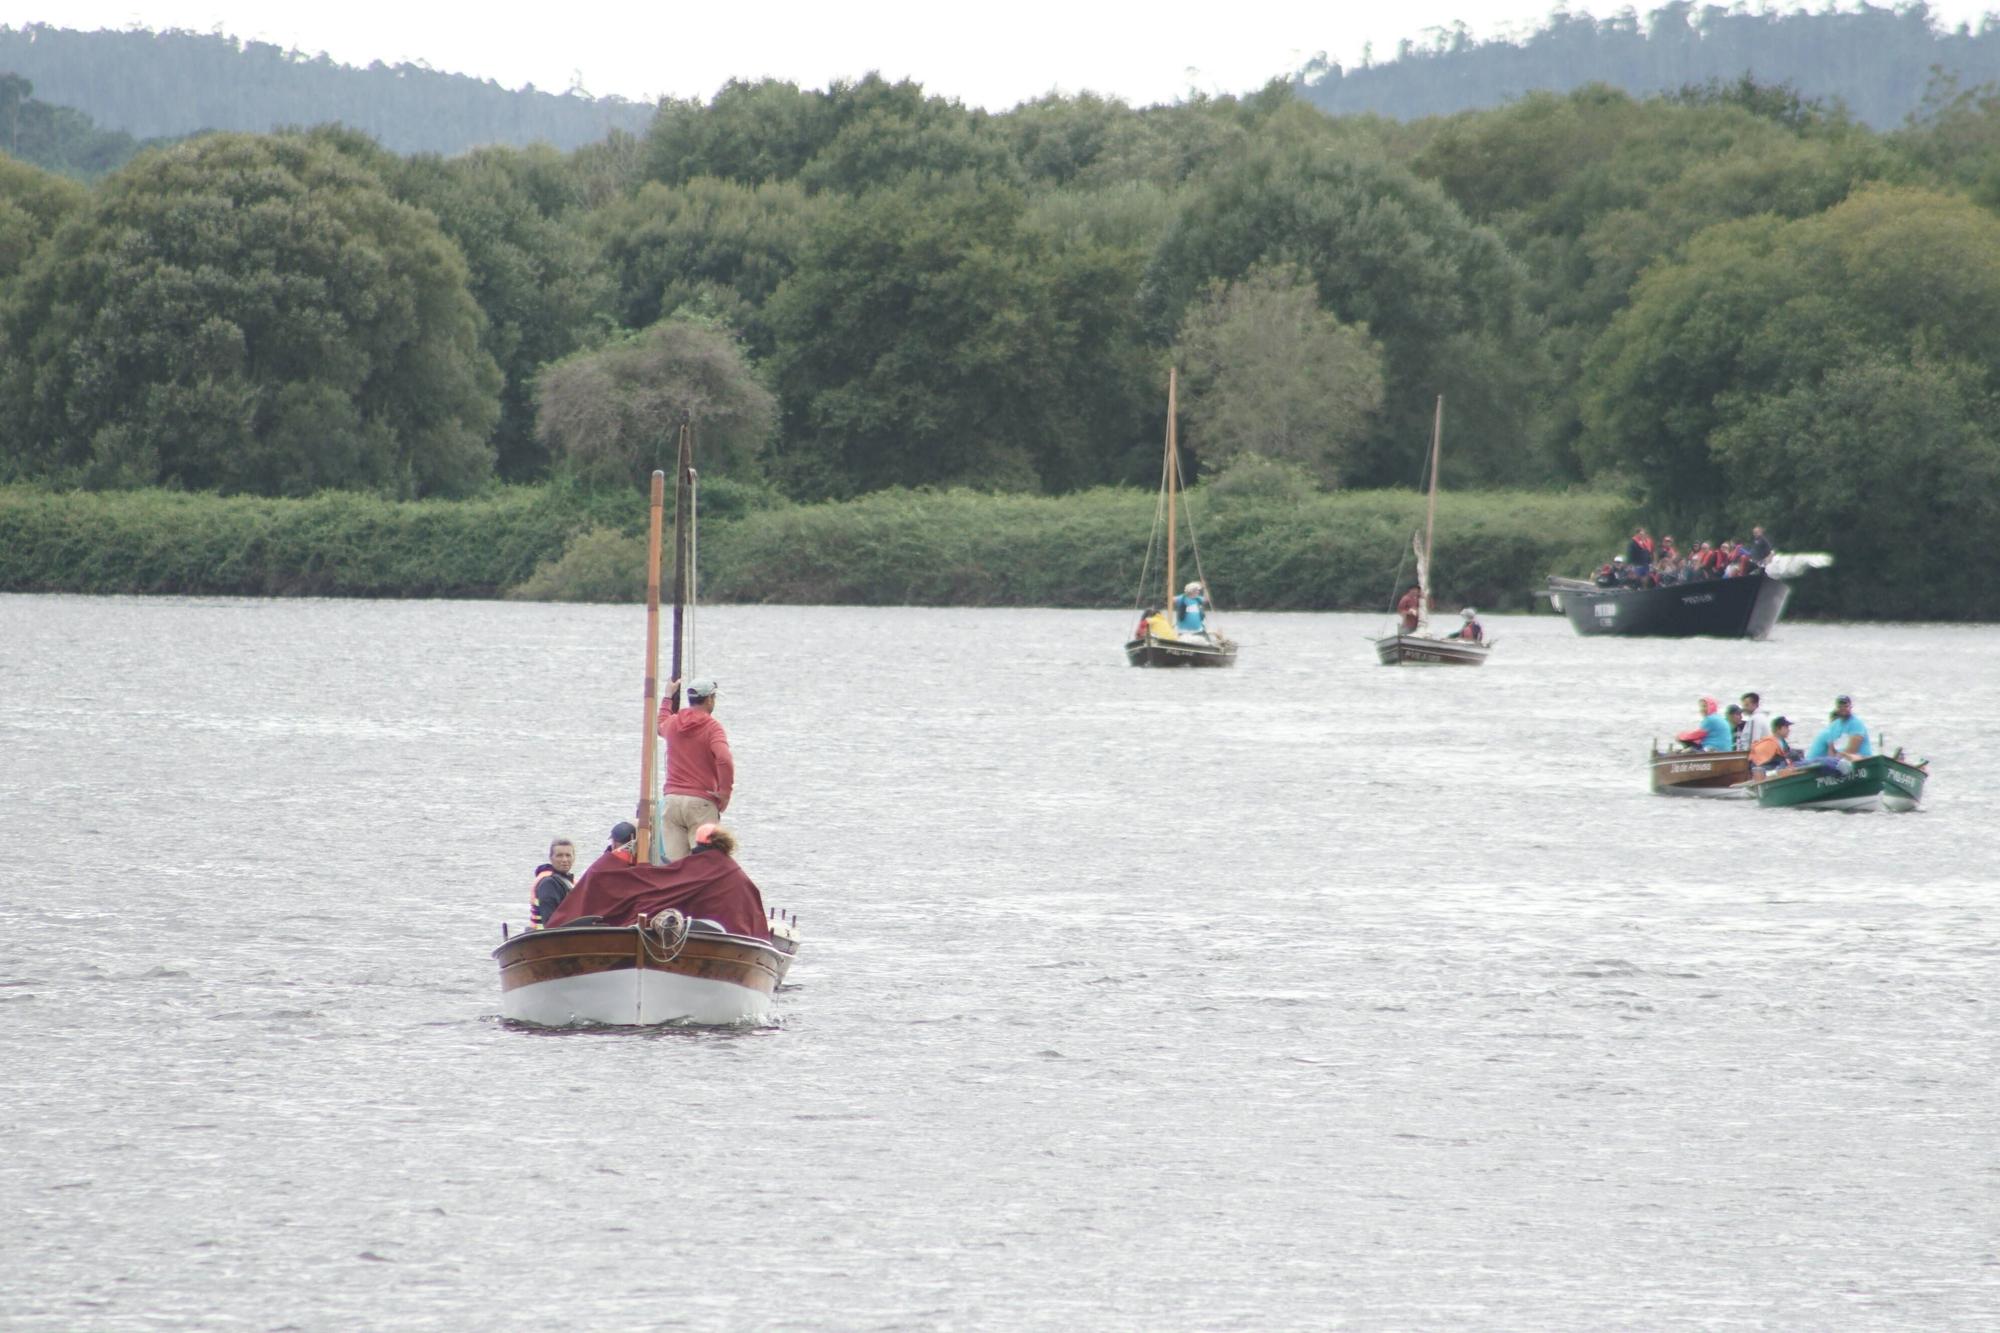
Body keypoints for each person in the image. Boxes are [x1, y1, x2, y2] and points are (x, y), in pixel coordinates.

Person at [657, 676, 736, 860]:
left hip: (672, 802)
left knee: (676, 866)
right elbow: (724, 759)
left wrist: (668, 696)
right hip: (700, 802)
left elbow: (660, 725)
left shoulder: (673, 722)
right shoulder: (712, 727)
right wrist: (724, 793)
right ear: (709, 699)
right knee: (705, 862)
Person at [1805, 695, 1873, 765]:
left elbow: (1852, 750)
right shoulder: (1833, 725)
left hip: (1860, 761)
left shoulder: (1856, 723)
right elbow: (1831, 750)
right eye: (1840, 707)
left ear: (1851, 707)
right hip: (1841, 761)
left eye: (1845, 706)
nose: (1843, 709)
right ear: (1836, 708)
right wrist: (1833, 761)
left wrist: (1838, 758)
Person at [528, 838, 577, 930]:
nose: (564, 860)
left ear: (574, 857)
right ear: (551, 858)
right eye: (559, 856)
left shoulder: (569, 881)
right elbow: (550, 923)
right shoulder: (548, 884)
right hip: (541, 938)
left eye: (568, 855)